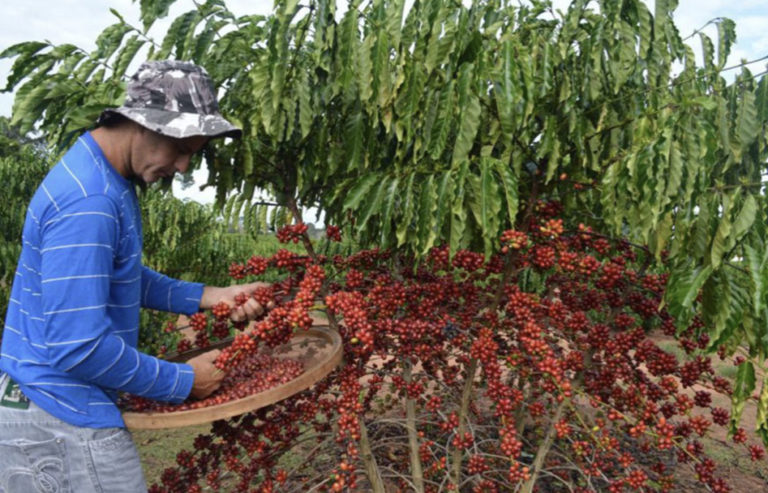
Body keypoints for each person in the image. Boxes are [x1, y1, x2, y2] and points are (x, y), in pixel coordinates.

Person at [0, 60, 267, 492]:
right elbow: (79, 348)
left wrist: (212, 295)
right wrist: (181, 381)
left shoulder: (101, 175)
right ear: (141, 123)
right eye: (179, 149)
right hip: (60, 417)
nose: (182, 167)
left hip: (41, 403)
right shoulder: (90, 202)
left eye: (193, 154)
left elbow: (115, 275)